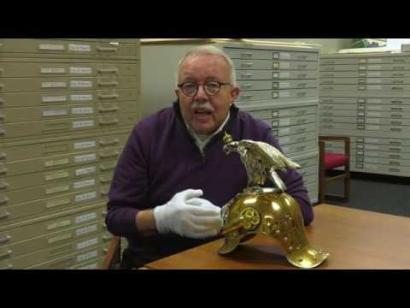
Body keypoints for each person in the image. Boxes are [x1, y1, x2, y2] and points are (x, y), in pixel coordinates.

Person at [106, 45, 313, 269]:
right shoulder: (147, 134)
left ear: (233, 94)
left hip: (229, 260)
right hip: (155, 262)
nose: (200, 96)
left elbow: (301, 206)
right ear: (178, 94)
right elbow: (116, 217)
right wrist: (161, 219)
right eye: (189, 86)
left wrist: (233, 220)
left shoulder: (256, 135)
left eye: (213, 85)